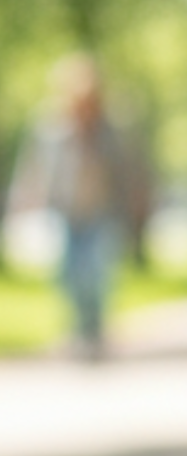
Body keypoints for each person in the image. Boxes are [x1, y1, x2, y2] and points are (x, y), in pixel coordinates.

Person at [8, 54, 150, 357]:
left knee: (97, 273)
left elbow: (129, 169)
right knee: (70, 275)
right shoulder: (51, 128)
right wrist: (23, 198)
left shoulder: (111, 129)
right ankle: (78, 332)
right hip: (67, 210)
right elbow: (34, 167)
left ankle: (96, 332)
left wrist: (137, 201)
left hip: (103, 210)